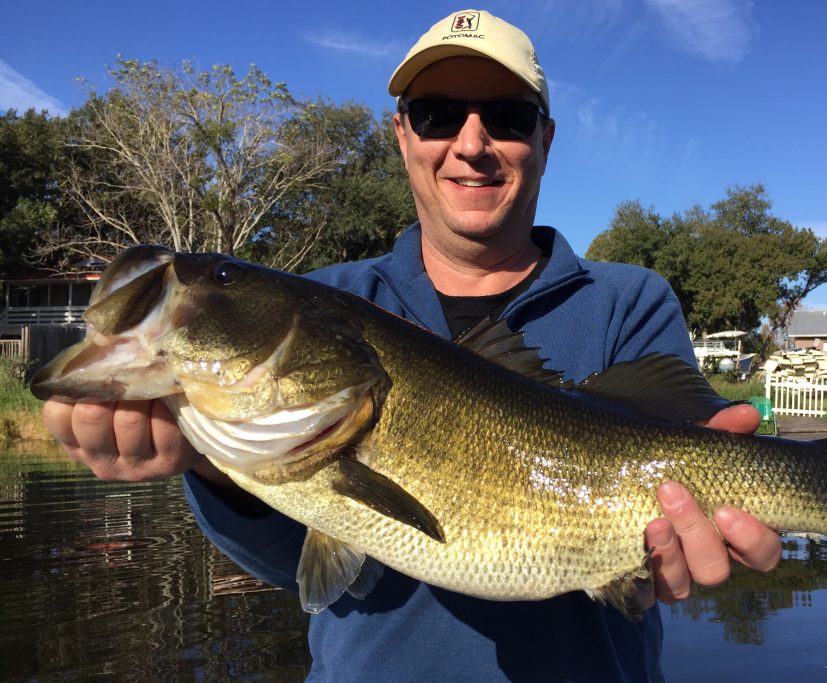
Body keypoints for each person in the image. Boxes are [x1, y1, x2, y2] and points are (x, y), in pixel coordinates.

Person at [42, 9, 781, 681]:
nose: (471, 143)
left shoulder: (629, 299)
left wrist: (688, 540)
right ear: (401, 135)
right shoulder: (339, 294)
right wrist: (206, 465)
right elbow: (295, 568)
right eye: (435, 115)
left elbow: (673, 544)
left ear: (545, 140)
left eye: (507, 116)